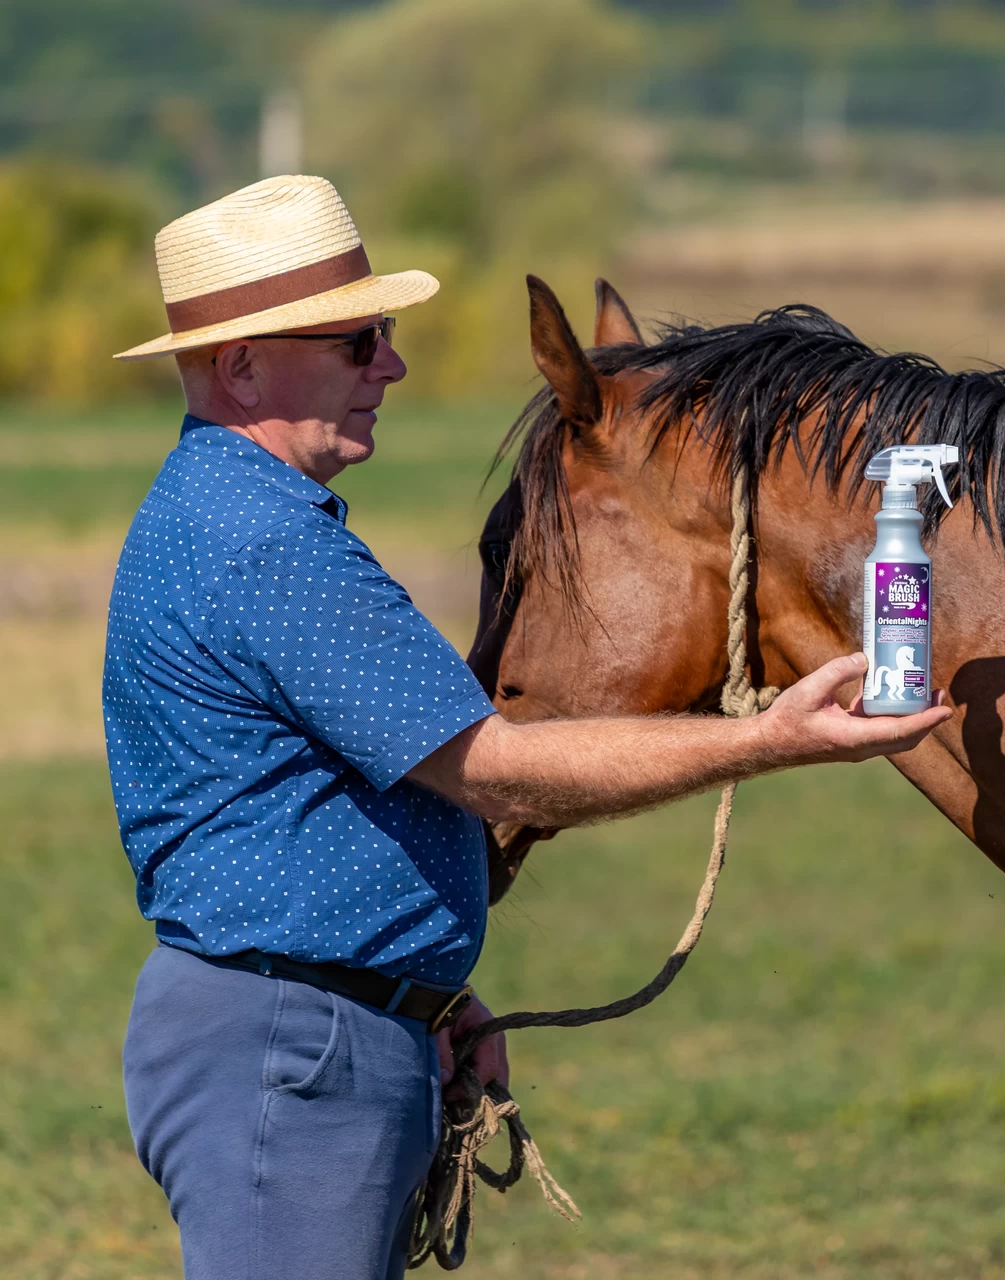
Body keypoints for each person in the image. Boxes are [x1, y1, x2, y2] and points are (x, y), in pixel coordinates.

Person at [104, 175, 950, 1280]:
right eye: (359, 341)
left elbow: (299, 802)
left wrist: (416, 991)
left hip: (304, 1032)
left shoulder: (230, 515)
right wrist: (769, 737)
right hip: (295, 1051)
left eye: (385, 335)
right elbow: (496, 773)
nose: (391, 366)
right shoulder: (269, 545)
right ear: (243, 363)